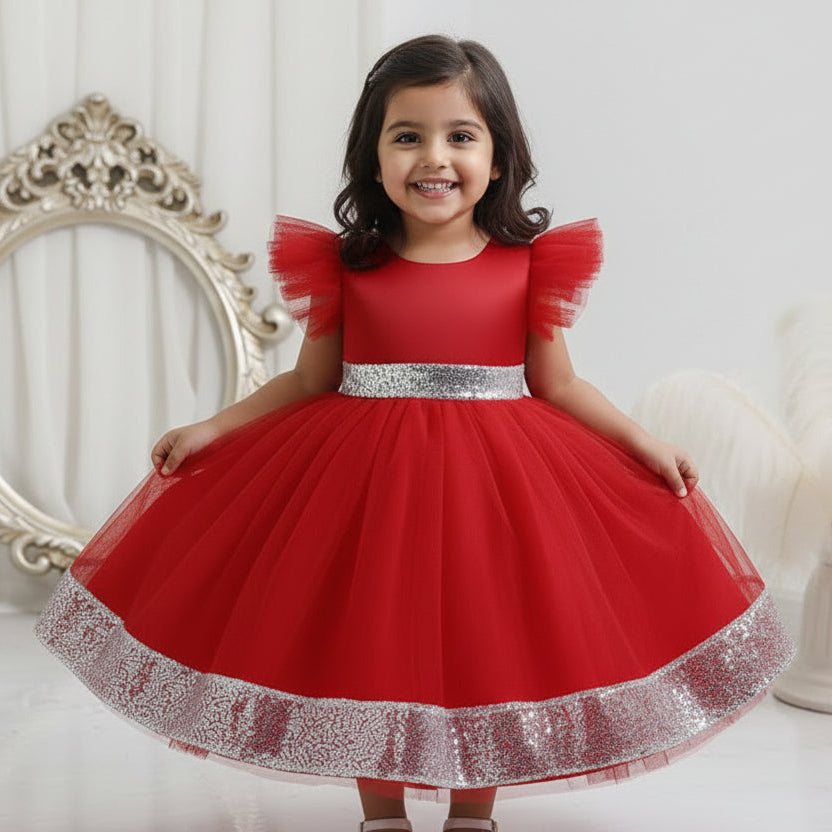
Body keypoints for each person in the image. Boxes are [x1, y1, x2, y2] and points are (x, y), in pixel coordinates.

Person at [34, 34, 794, 832]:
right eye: (408, 136)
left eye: (460, 136)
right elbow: (308, 379)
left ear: (499, 159)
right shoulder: (347, 267)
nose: (434, 157)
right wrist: (214, 429)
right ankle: (383, 815)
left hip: (496, 491)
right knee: (369, 638)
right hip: (366, 486)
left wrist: (643, 442)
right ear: (373, 157)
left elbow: (558, 381)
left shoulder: (527, 267)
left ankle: (473, 813)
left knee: (487, 635)